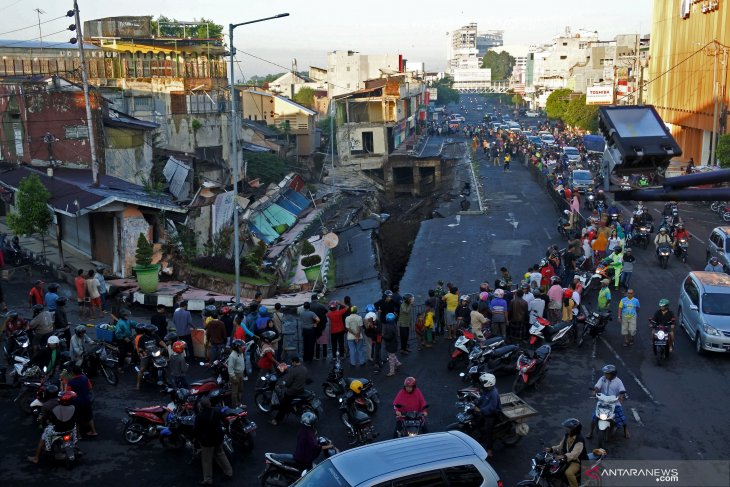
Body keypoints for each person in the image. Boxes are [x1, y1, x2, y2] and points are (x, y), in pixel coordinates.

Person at [27, 390, 78, 464]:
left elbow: (47, 419)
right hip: (70, 428)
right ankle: (75, 442)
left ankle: (36, 458)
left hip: (57, 430)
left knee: (43, 437)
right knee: (75, 428)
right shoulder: (74, 407)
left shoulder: (54, 408)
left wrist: (43, 423)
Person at [193, 396, 233, 485]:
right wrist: (224, 431)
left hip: (207, 442)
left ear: (201, 406)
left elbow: (196, 431)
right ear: (209, 404)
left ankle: (208, 479)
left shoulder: (199, 416)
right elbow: (225, 421)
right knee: (221, 454)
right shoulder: (217, 410)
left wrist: (199, 439)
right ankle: (229, 472)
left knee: (207, 460)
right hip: (218, 438)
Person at [587, 364, 629, 439]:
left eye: (607, 373)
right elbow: (597, 386)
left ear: (613, 374)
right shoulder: (602, 379)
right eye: (605, 373)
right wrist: (595, 391)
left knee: (621, 417)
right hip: (602, 401)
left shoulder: (618, 381)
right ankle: (590, 432)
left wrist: (621, 396)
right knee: (594, 417)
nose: (605, 374)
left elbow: (622, 391)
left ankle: (626, 429)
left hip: (614, 402)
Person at [546, 418, 588, 487]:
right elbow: (560, 447)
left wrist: (564, 456)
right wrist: (551, 449)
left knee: (568, 473)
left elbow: (574, 454)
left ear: (574, 430)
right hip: (566, 459)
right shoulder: (567, 435)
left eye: (568, 428)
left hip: (576, 461)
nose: (566, 429)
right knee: (551, 466)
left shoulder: (579, 440)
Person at [271, 356, 308, 426]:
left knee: (283, 406)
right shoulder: (304, 368)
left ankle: (276, 420)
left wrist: (281, 385)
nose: (291, 363)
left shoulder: (293, 371)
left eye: (292, 362)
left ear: (294, 362)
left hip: (293, 391)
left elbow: (288, 383)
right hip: (301, 389)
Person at [473, 373, 501, 458]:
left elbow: (492, 408)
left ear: (489, 383)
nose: (482, 384)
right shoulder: (487, 390)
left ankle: (490, 450)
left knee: (488, 430)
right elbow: (482, 398)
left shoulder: (493, 393)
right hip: (485, 409)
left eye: (483, 382)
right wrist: (476, 403)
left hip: (492, 414)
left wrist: (480, 410)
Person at [66, 364, 97, 437]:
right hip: (86, 400)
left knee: (76, 419)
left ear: (73, 373)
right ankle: (93, 431)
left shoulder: (71, 382)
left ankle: (78, 435)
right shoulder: (85, 378)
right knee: (89, 416)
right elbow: (90, 388)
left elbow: (68, 393)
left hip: (76, 402)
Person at [135, 324, 166, 390]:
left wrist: (165, 347)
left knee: (163, 362)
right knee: (142, 369)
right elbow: (140, 348)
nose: (154, 332)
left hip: (155, 353)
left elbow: (160, 342)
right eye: (153, 331)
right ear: (148, 332)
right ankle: (138, 384)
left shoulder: (155, 335)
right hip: (147, 355)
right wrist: (143, 352)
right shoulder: (142, 338)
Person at [382, 313, 402, 377]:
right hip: (394, 343)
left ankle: (392, 371)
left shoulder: (388, 327)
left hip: (390, 344)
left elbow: (389, 336)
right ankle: (397, 363)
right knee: (392, 354)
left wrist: (383, 336)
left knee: (391, 358)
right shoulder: (394, 325)